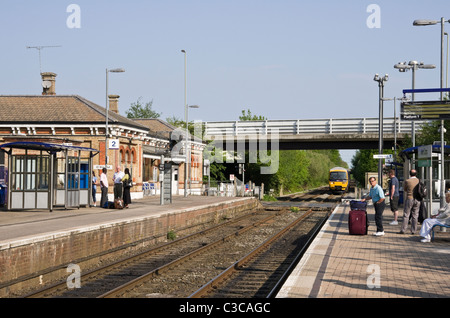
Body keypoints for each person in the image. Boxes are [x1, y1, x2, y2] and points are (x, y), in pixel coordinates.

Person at [399, 169, 420, 234]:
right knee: (415, 215)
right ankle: (414, 230)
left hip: (409, 198)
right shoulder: (419, 180)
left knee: (406, 215)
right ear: (416, 174)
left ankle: (403, 230)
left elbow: (405, 189)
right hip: (417, 199)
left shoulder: (407, 181)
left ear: (410, 174)